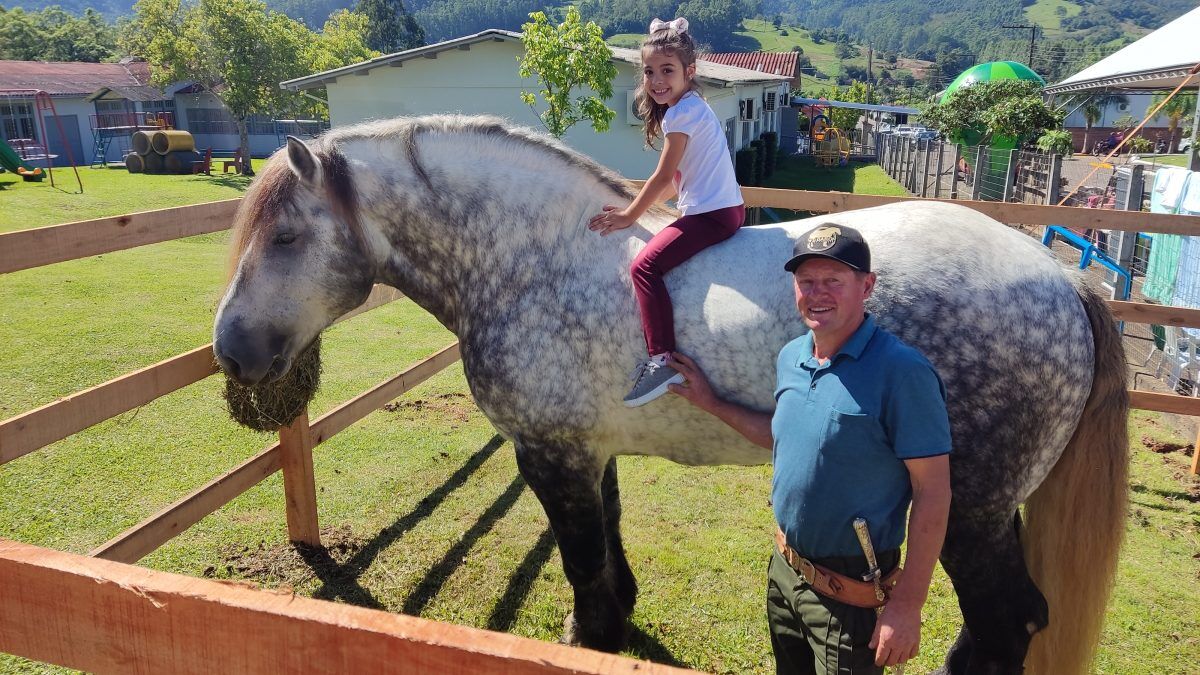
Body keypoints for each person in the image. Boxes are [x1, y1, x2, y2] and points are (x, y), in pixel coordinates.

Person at [667, 225, 952, 674]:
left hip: (851, 595)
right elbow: (782, 434)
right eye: (806, 282)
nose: (817, 294)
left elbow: (934, 492)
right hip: (786, 569)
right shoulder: (793, 357)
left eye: (833, 281)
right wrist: (712, 403)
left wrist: (908, 605)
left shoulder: (902, 373)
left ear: (867, 286)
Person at [588, 16, 745, 408]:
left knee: (644, 267)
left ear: (689, 72)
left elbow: (661, 179)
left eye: (667, 70)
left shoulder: (682, 113)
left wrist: (629, 216)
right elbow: (677, 181)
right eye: (649, 71)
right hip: (723, 209)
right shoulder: (690, 107)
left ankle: (661, 359)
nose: (657, 80)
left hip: (711, 215)